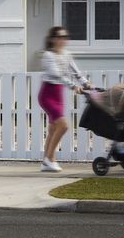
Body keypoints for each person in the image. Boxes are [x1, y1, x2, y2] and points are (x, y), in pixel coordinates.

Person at [38, 26, 88, 172]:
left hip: (58, 94)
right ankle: (50, 159)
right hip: (47, 94)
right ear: (52, 39)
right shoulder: (48, 55)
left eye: (65, 37)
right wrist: (73, 86)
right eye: (59, 37)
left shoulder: (67, 54)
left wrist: (85, 83)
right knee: (63, 125)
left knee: (54, 128)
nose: (62, 40)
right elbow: (57, 74)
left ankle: (45, 162)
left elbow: (76, 71)